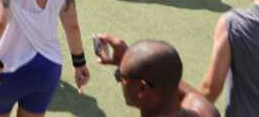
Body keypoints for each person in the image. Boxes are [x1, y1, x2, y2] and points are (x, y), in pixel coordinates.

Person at [92, 36, 220, 117]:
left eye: (120, 76)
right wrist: (130, 58)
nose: (120, 81)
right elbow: (168, 76)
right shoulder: (205, 110)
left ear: (142, 89)